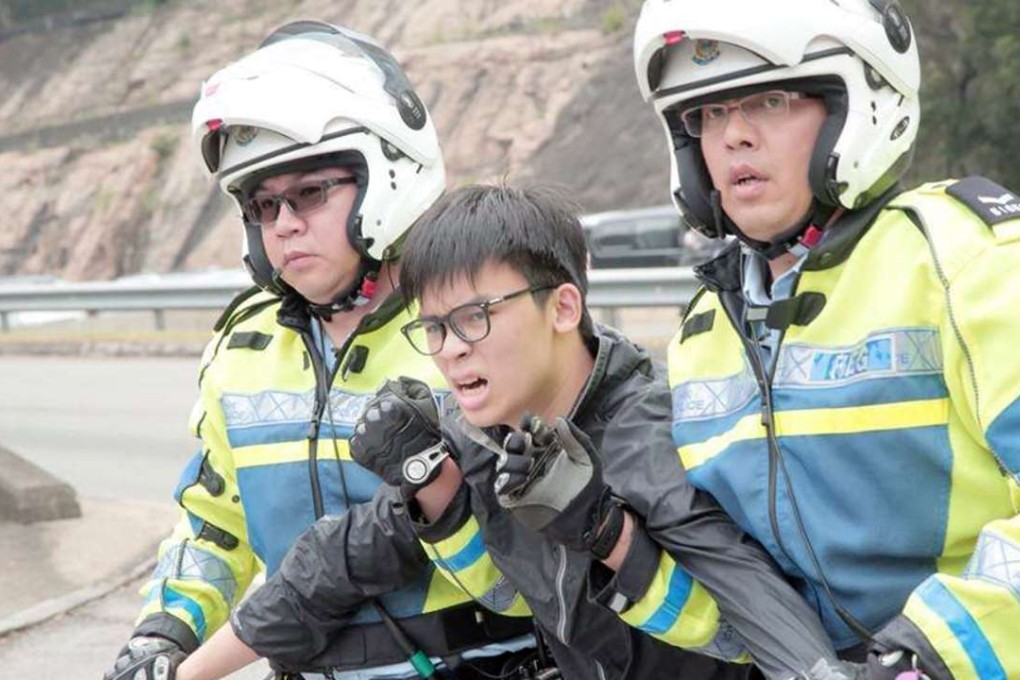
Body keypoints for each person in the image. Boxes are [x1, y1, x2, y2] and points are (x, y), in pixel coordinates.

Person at [242, 183, 870, 680]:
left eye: (472, 318)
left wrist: (608, 533)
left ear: (563, 307)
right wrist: (170, 660)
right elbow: (345, 556)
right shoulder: (477, 432)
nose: (450, 351)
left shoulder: (649, 433)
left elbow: (745, 621)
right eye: (432, 327)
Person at [103, 21, 535, 680]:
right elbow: (215, 523)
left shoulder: (464, 326)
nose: (285, 224)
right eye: (262, 204)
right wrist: (164, 632)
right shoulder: (243, 346)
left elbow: (534, 545)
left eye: (310, 192)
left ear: (385, 178)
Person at [632, 1, 1020, 678]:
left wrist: (923, 659)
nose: (733, 138)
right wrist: (613, 547)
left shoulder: (966, 260)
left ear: (857, 104)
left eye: (770, 100)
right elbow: (741, 612)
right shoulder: (704, 333)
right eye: (710, 114)